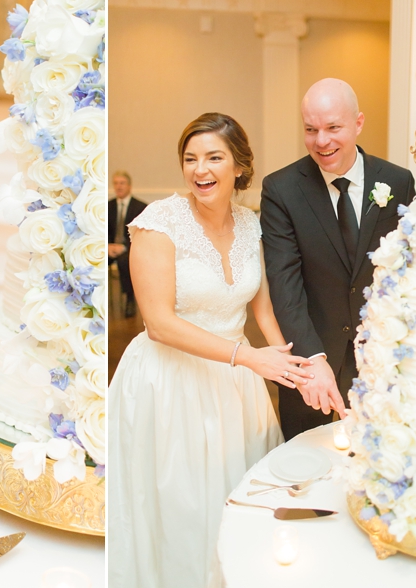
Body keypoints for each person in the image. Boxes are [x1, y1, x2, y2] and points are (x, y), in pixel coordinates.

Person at [108, 113, 314, 588]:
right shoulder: (158, 224)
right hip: (169, 383)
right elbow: (159, 324)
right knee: (180, 506)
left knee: (235, 497)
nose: (200, 169)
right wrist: (250, 358)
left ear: (239, 166)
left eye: (214, 158)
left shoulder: (251, 223)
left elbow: (264, 310)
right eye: (190, 158)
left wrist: (299, 365)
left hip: (235, 389)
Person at [260, 78, 416, 441]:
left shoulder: (398, 182)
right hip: (310, 357)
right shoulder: (281, 189)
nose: (321, 141)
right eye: (310, 129)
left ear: (358, 123)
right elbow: (285, 284)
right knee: (305, 457)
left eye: (333, 128)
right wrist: (313, 359)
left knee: (377, 451)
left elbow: (408, 269)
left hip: (380, 354)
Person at [108, 171, 147, 317]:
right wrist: (107, 246)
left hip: (130, 248)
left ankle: (130, 299)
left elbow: (142, 236)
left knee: (125, 261)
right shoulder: (108, 206)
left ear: (129, 186)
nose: (119, 186)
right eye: (116, 183)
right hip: (110, 248)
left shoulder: (140, 207)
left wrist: (124, 247)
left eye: (122, 183)